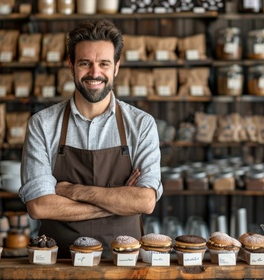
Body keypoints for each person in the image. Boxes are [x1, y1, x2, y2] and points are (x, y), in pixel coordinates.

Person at [18, 19, 163, 259]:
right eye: (85, 63)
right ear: (71, 65)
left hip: (125, 265)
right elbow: (39, 206)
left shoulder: (141, 124)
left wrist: (71, 190)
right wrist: (118, 202)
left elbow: (145, 201)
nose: (95, 73)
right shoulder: (42, 125)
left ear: (116, 67)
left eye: (104, 63)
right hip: (59, 265)